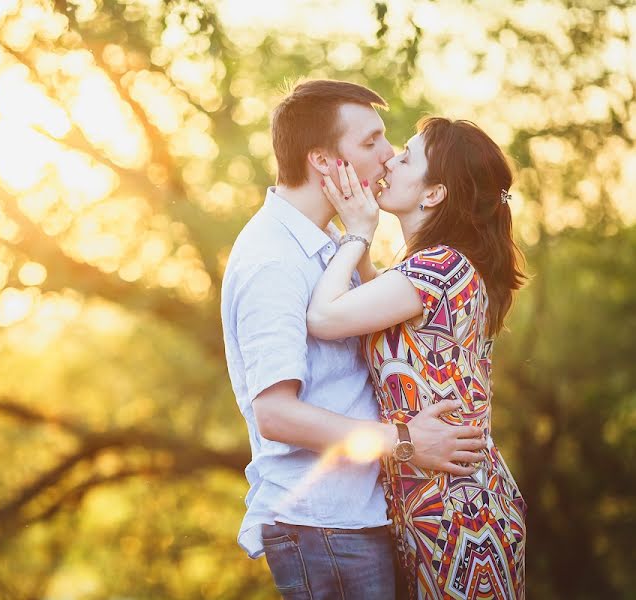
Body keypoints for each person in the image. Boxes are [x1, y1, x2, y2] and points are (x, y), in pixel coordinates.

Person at [220, 80, 487, 600]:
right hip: (321, 522)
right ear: (323, 160)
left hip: (360, 516)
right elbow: (275, 415)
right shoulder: (272, 259)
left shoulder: (327, 248)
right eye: (371, 143)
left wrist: (358, 236)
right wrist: (405, 441)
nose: (389, 157)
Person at [307, 117, 527, 599]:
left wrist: (356, 234)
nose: (390, 159)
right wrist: (358, 232)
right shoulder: (429, 268)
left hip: (459, 513)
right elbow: (373, 296)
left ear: (433, 195)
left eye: (407, 157)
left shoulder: (440, 267)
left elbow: (323, 317)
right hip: (442, 502)